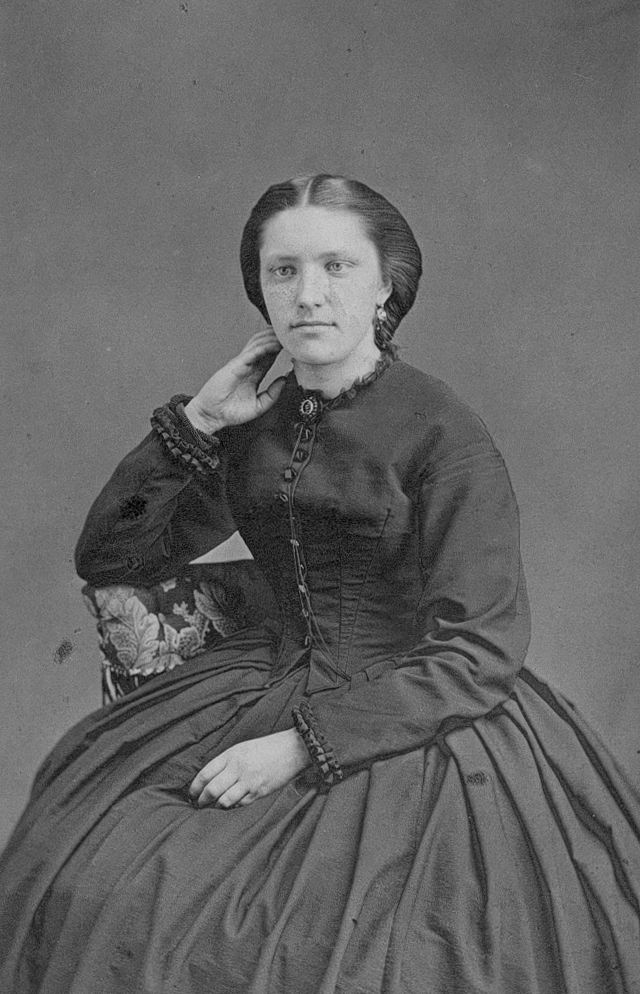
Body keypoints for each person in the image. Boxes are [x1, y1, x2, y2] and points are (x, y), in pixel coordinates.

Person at [1, 174, 639, 994]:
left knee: (361, 945)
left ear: (385, 289)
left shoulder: (444, 432)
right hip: (261, 683)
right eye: (284, 271)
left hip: (422, 723)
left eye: (337, 267)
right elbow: (114, 558)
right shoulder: (255, 421)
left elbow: (480, 646)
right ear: (261, 290)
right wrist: (200, 422)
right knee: (94, 872)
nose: (308, 295)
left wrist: (301, 744)